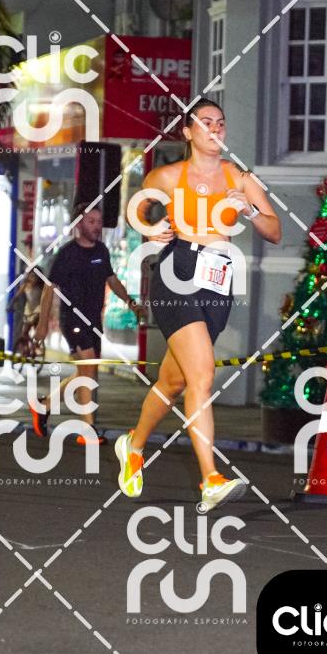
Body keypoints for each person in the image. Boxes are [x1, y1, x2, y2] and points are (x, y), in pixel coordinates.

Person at [116, 98, 281, 512]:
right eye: (206, 122)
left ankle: (133, 446)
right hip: (177, 273)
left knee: (174, 381)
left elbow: (275, 230)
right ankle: (211, 479)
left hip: (218, 280)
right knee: (202, 376)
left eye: (221, 123)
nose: (215, 129)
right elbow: (135, 209)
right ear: (188, 132)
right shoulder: (167, 176)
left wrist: (249, 211)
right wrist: (150, 231)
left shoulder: (239, 177)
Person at [33, 203, 143, 443]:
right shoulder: (67, 254)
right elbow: (49, 290)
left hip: (94, 321)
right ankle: (87, 430)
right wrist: (42, 324)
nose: (96, 226)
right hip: (72, 320)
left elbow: (111, 279)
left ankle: (45, 405)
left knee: (85, 372)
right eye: (91, 222)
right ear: (79, 224)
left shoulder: (101, 251)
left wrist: (130, 302)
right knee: (89, 369)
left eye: (98, 222)